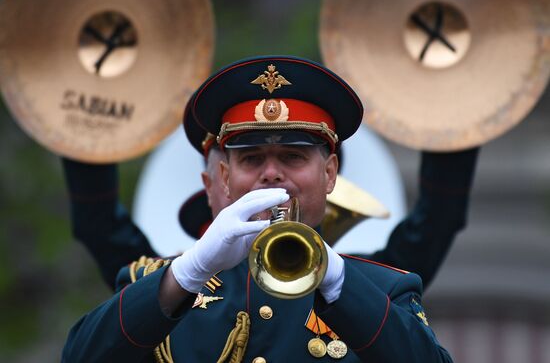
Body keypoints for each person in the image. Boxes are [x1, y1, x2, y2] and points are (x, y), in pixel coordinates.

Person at [62, 55, 476, 362]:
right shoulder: (157, 286)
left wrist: (334, 277)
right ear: (223, 178)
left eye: (294, 157)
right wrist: (190, 271)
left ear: (330, 174)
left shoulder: (383, 289)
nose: (272, 174)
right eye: (251, 158)